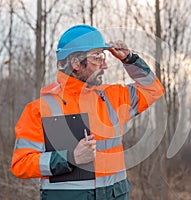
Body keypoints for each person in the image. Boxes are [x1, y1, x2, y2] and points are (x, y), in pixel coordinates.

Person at [11, 24, 164, 200]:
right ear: (76, 63)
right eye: (97, 57)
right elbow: (20, 164)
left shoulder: (112, 98)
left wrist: (129, 59)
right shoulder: (40, 110)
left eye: (103, 56)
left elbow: (153, 89)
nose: (105, 64)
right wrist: (69, 158)